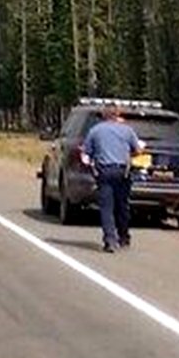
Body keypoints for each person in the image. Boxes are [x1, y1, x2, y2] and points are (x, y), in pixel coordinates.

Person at [79, 104, 144, 252]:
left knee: (106, 207)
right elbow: (138, 150)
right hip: (122, 171)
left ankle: (110, 240)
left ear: (103, 115)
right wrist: (128, 153)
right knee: (122, 206)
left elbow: (87, 151)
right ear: (118, 114)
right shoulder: (127, 130)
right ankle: (124, 236)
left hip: (105, 171)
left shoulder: (95, 130)